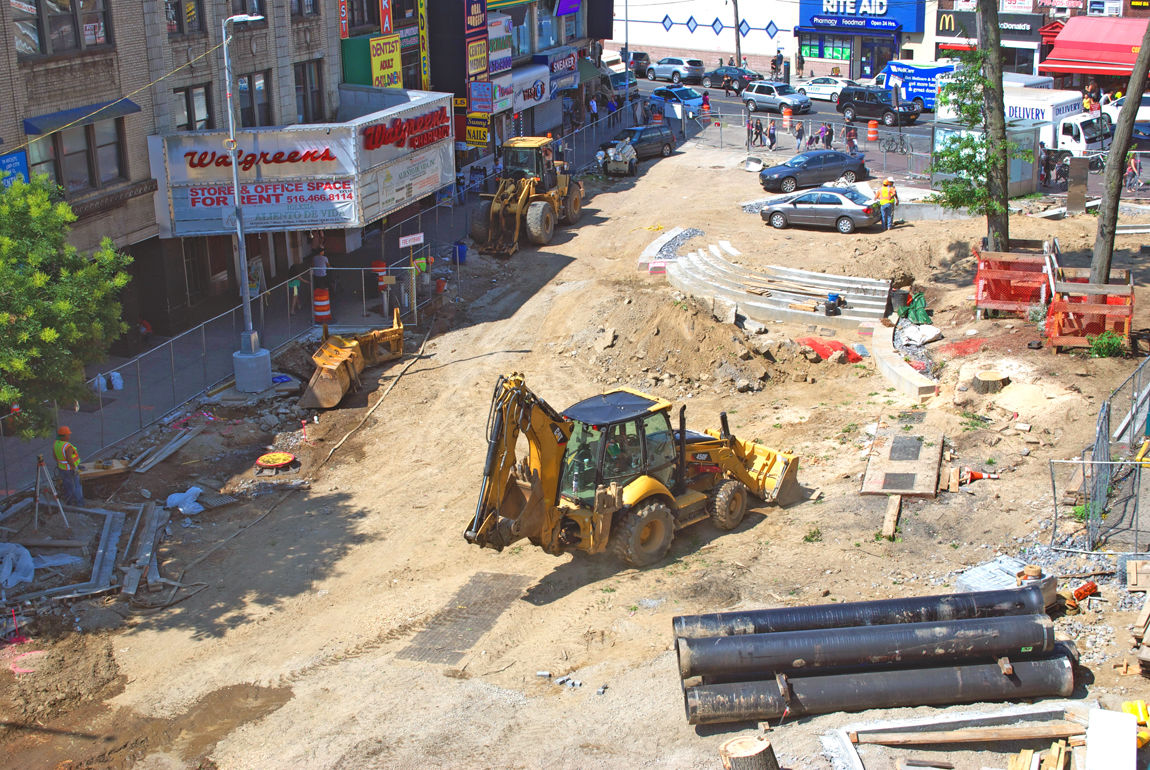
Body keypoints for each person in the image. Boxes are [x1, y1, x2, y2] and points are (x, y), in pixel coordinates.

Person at [53, 426, 84, 505]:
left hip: (62, 469)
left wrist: (61, 464)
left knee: (67, 485)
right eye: (68, 434)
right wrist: (74, 468)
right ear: (64, 436)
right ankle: (80, 503)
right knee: (77, 485)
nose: (69, 436)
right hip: (70, 469)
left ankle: (69, 501)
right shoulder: (67, 446)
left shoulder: (56, 444)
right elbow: (69, 459)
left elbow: (55, 456)